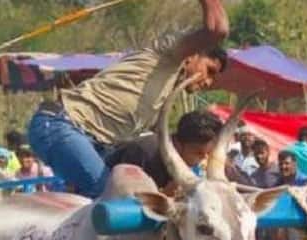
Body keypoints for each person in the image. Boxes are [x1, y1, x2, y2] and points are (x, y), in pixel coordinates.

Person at [27, 0, 229, 198]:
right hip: (61, 124)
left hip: (97, 145)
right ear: (192, 55)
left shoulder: (164, 95)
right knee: (111, 194)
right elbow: (217, 30)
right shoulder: (167, 56)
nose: (209, 82)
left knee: (131, 198)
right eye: (210, 70)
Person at [105, 109, 223, 190]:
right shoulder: (146, 152)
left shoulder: (189, 166)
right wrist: (164, 195)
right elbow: (123, 197)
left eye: (208, 153)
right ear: (178, 144)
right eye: (198, 153)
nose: (204, 159)